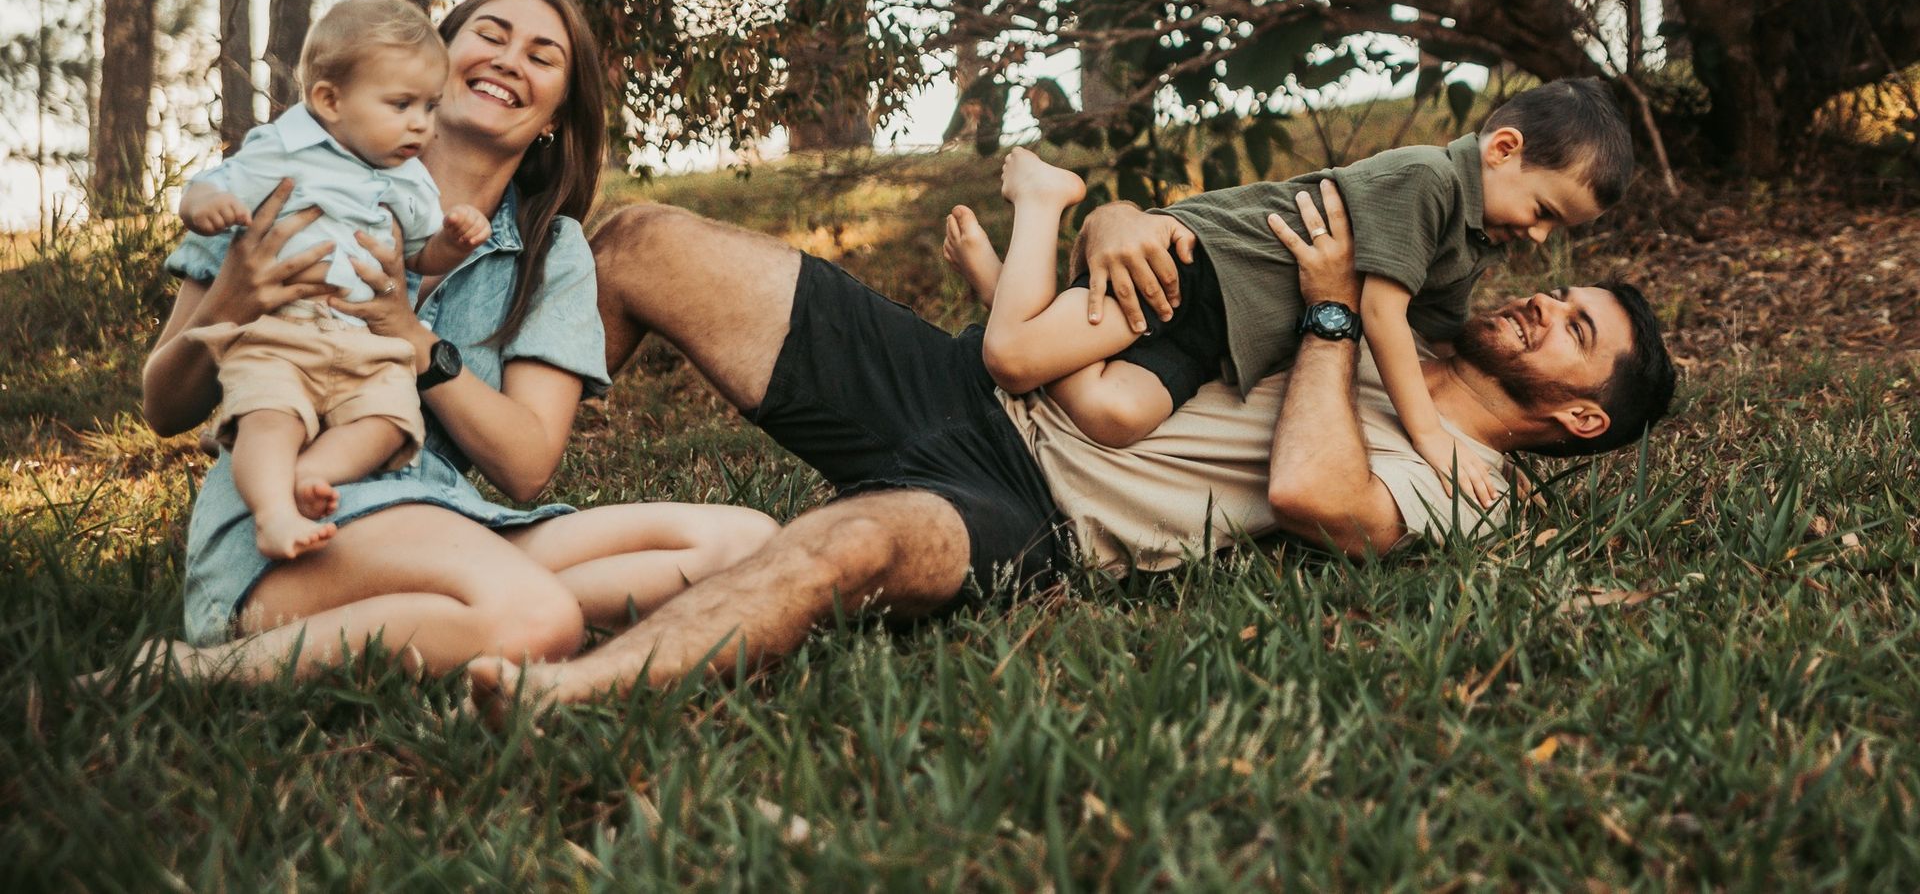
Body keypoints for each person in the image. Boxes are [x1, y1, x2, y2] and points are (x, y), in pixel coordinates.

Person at [466, 176, 1674, 718]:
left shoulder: (1470, 483)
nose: (1541, 305)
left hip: (1031, 510)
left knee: (843, 546)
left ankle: (567, 692)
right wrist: (1112, 218)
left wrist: (1327, 312)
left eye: (1577, 332)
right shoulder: (1400, 302)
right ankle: (455, 481)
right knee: (634, 240)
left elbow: (1314, 489)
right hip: (955, 378)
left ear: (1581, 417)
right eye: (1559, 291)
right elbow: (1186, 254)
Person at [115, 0, 777, 685]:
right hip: (285, 528)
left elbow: (525, 466)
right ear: (438, 57)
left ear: (555, 116)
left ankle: (439, 615)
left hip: (443, 517)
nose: (509, 60)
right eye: (490, 35)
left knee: (747, 543)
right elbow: (164, 407)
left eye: (541, 56)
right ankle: (196, 670)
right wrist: (233, 297)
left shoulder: (549, 254)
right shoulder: (297, 179)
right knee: (536, 620)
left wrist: (420, 345)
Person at [946, 79, 1633, 511]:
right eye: (1545, 211)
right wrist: (1428, 434)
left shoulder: (1470, 240)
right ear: (1503, 148)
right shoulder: (1429, 182)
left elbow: (1444, 332)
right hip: (1207, 270)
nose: (1542, 239)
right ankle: (1044, 199)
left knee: (1113, 415)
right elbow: (1381, 313)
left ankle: (999, 283)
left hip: (1235, 335)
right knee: (1011, 358)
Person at [177, 0, 495, 560]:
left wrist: (452, 240)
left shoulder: (409, 179)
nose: (421, 124)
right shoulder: (283, 149)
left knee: (391, 422)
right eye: (401, 104)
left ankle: (310, 475)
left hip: (364, 344)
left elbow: (421, 258)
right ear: (329, 99)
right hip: (281, 334)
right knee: (270, 417)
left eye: (429, 107)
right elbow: (213, 183)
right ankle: (273, 514)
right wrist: (205, 206)